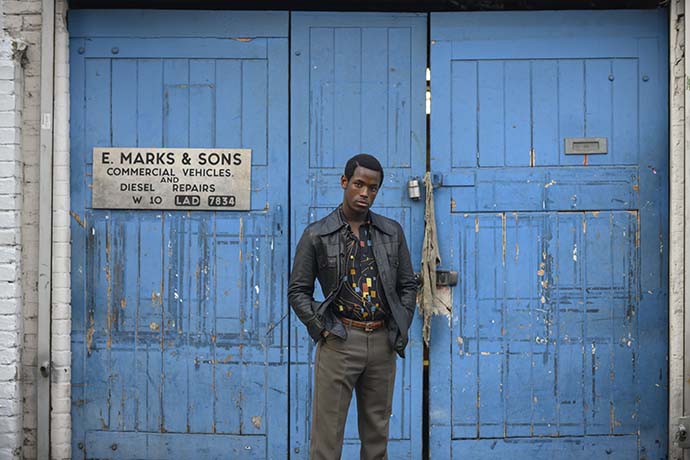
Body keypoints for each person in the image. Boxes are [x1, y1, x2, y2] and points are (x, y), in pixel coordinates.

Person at [288, 153, 417, 460]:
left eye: (373, 188)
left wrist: (399, 325)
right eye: (358, 184)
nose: (365, 193)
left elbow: (408, 286)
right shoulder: (317, 234)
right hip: (339, 340)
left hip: (382, 343)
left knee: (376, 438)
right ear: (344, 182)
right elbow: (298, 291)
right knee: (327, 440)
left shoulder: (391, 232)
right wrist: (322, 329)